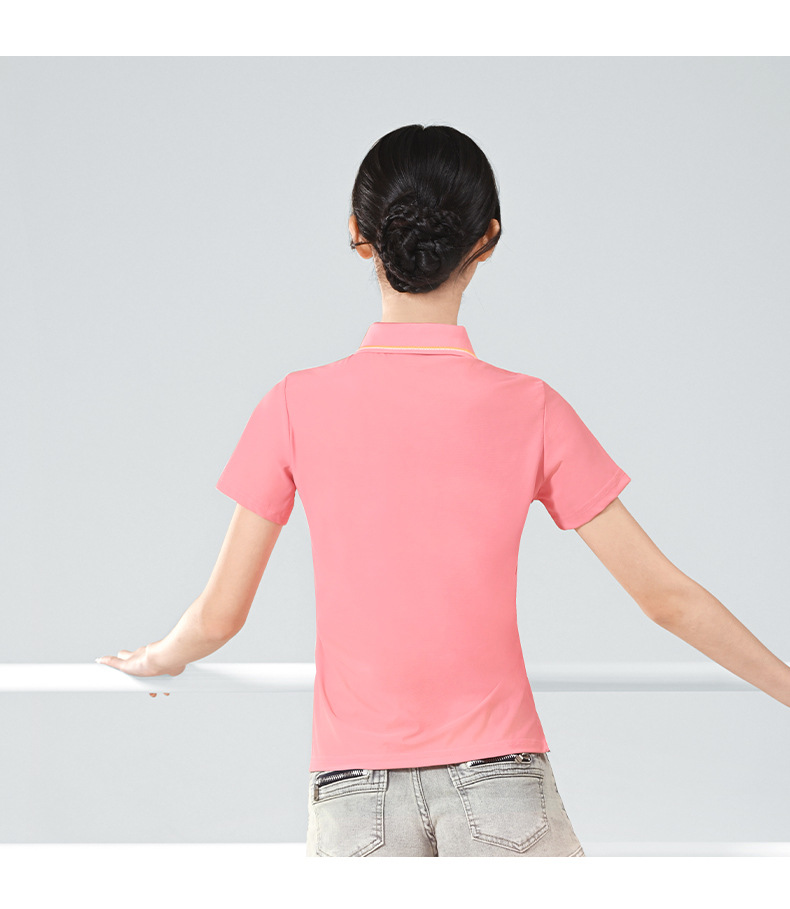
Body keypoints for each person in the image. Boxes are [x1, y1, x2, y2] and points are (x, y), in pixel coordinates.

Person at [97, 124, 790, 857]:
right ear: (487, 239)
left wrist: (162, 656)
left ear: (360, 236)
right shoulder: (531, 408)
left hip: (354, 797)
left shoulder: (294, 405)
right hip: (501, 783)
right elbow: (666, 598)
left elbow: (219, 617)